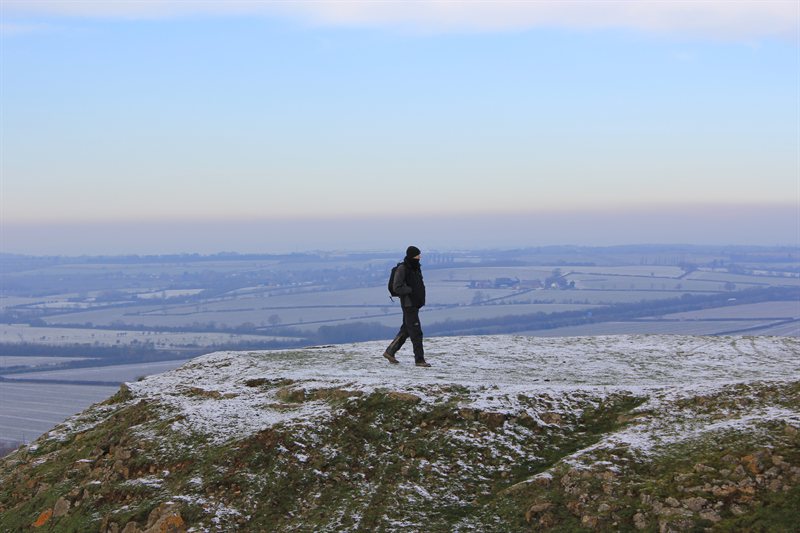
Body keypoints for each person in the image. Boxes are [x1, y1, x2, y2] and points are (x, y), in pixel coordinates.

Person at [383, 246, 431, 367]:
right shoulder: (402, 268)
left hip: (415, 304)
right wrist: (410, 290)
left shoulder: (415, 268)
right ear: (411, 256)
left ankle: (390, 352)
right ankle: (419, 360)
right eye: (417, 255)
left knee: (406, 330)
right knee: (416, 333)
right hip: (408, 304)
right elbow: (396, 287)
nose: (419, 257)